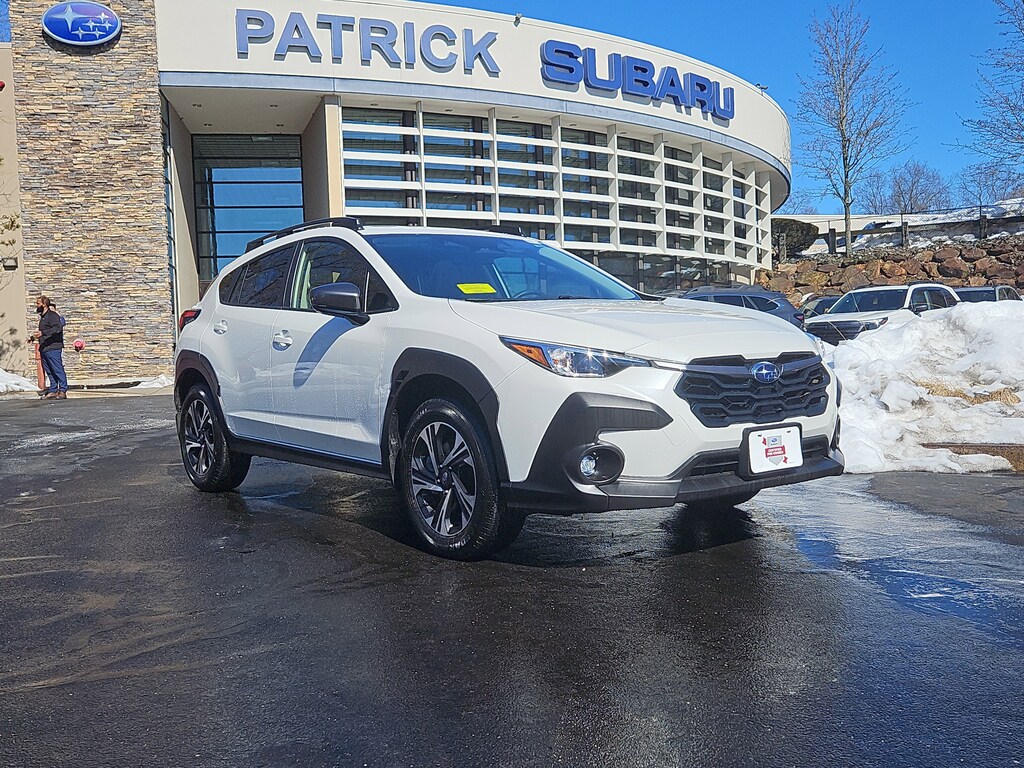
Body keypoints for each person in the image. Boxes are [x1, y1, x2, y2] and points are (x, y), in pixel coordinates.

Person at [32, 295, 67, 400]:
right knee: (49, 370)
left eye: (38, 303)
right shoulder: (43, 317)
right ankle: (53, 389)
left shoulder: (52, 315)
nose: (36, 306)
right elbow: (43, 333)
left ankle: (63, 390)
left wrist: (43, 333)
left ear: (44, 304)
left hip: (53, 347)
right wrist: (32, 338)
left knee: (57, 368)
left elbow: (57, 328)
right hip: (45, 348)